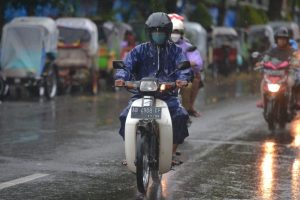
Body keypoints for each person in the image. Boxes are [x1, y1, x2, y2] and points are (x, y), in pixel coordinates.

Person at [114, 12, 193, 165]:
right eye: (154, 32)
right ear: (149, 33)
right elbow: (126, 66)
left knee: (181, 116)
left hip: (167, 95)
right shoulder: (139, 50)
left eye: (161, 32)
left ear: (168, 33)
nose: (158, 35)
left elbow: (184, 68)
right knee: (125, 116)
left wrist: (182, 79)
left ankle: (170, 154)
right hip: (141, 95)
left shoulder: (176, 51)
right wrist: (121, 78)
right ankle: (131, 153)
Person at [168, 13, 203, 118]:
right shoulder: (158, 45)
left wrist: (187, 63)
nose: (174, 34)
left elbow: (197, 62)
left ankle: (187, 108)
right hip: (161, 76)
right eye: (172, 31)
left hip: (180, 77)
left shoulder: (187, 46)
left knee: (191, 83)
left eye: (176, 32)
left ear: (181, 33)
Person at [256, 27, 296, 110]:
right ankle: (263, 101)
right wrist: (261, 63)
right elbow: (266, 58)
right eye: (280, 38)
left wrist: (296, 63)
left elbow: (297, 59)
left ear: (287, 40)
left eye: (284, 39)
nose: (282, 40)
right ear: (276, 39)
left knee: (290, 82)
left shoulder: (292, 51)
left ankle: (290, 102)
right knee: (263, 82)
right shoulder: (272, 50)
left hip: (287, 74)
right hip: (273, 73)